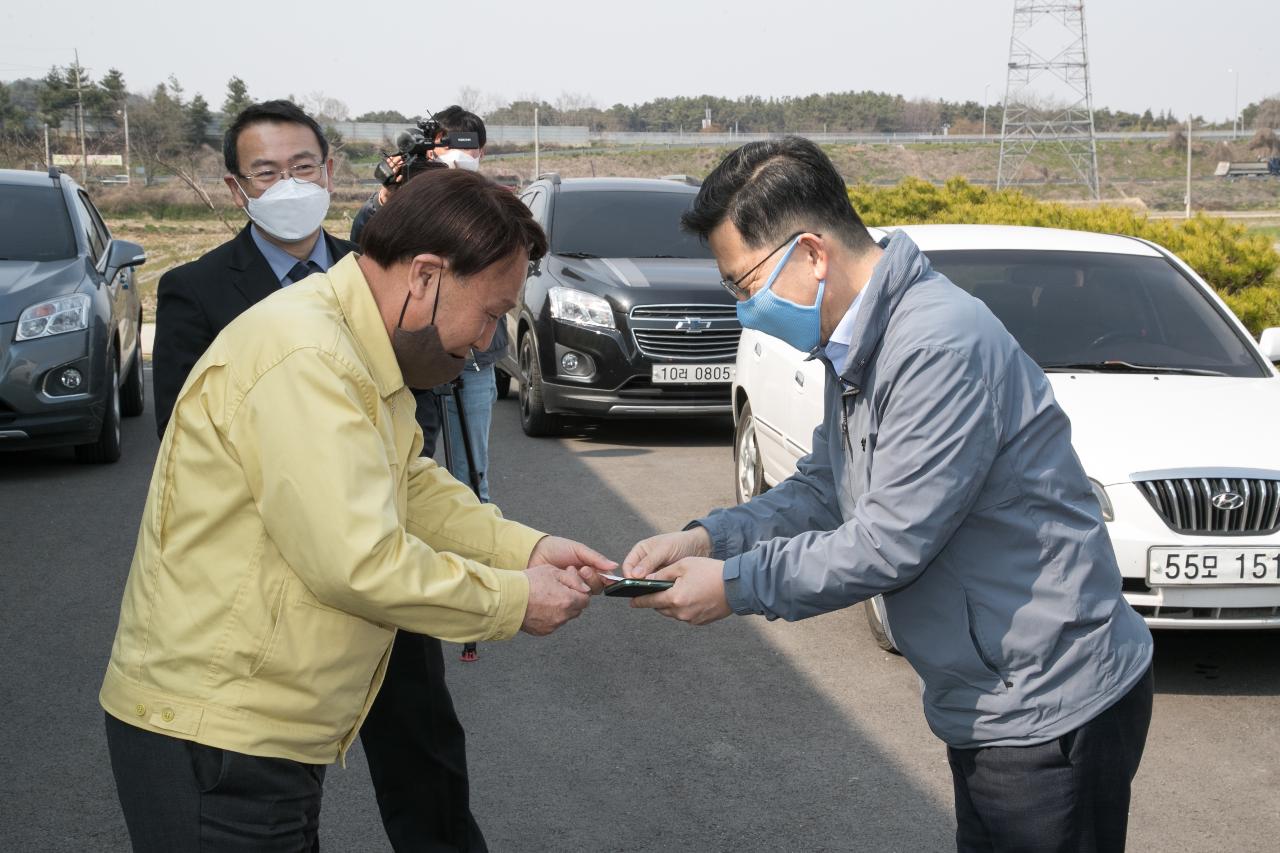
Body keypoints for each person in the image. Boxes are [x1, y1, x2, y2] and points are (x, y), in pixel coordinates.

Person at [623, 137, 1154, 853]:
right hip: (990, 698)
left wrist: (733, 584)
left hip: (1049, 707)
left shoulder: (935, 345)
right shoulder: (860, 345)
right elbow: (822, 491)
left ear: (811, 254)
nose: (744, 311)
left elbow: (886, 541)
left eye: (745, 285)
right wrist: (706, 539)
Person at [142, 104, 589, 852]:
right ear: (424, 275)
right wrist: (513, 599)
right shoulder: (310, 356)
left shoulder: (356, 338)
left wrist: (526, 548)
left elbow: (408, 483)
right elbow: (358, 559)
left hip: (265, 720)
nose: (486, 344)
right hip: (219, 731)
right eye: (489, 315)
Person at [353, 106, 502, 503]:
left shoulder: (491, 203)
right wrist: (388, 196)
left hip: (471, 360)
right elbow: (364, 246)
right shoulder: (406, 196)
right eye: (445, 148)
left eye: (468, 149)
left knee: (471, 476)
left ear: (481, 153)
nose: (457, 157)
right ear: (429, 152)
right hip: (411, 352)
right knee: (410, 467)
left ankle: (479, 548)